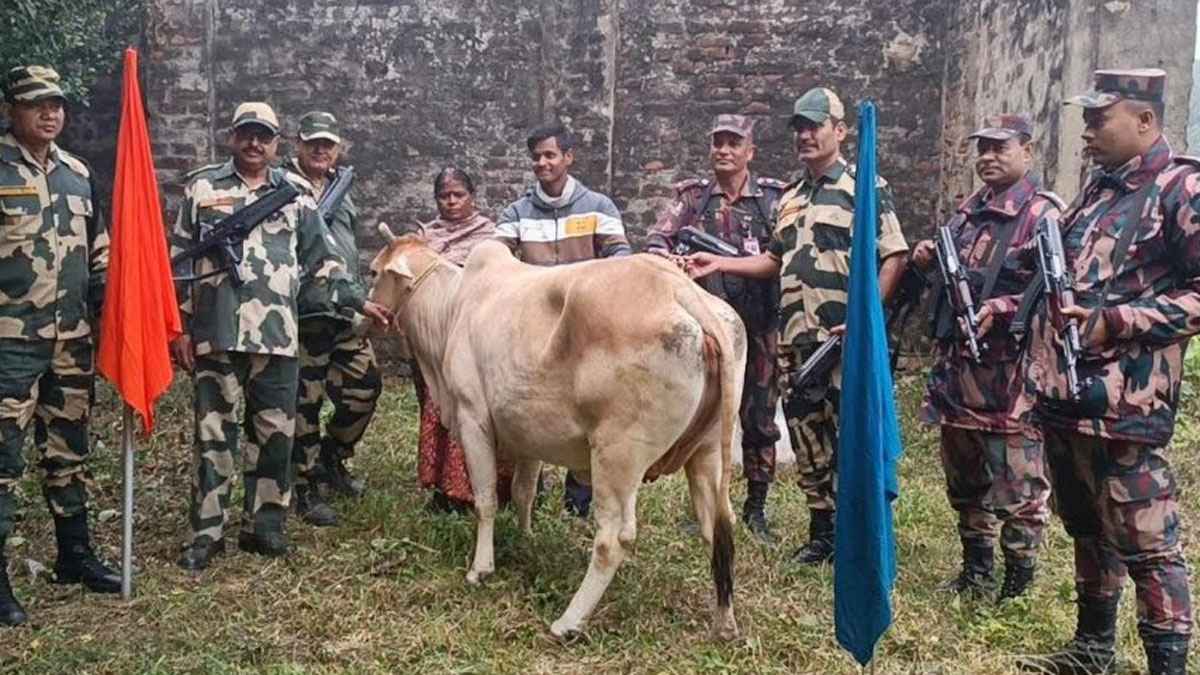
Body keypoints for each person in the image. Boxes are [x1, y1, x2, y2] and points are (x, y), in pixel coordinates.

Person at [976, 69, 1195, 675]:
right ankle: (1093, 647)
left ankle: (1167, 666)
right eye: (1087, 118)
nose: (1087, 130)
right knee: (1087, 526)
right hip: (1068, 395)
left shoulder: (1183, 189)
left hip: (1128, 402)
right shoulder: (1099, 190)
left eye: (1101, 118)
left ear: (1145, 121)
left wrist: (1117, 320)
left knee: (1148, 540)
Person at [686, 87, 909, 565]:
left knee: (854, 437)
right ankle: (822, 533)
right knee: (809, 440)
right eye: (800, 128)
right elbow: (772, 260)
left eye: (815, 126)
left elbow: (894, 256)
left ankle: (864, 538)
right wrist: (719, 263)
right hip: (796, 341)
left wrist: (864, 320)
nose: (806, 135)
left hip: (845, 341)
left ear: (840, 130)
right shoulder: (789, 197)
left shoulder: (865, 186)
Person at [170, 102, 389, 571]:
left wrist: (356, 300)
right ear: (233, 137)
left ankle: (264, 527)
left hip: (278, 338)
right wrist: (179, 327)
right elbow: (179, 261)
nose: (254, 143)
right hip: (218, 333)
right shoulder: (203, 187)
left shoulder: (294, 194)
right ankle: (205, 533)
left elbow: (324, 261)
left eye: (263, 136)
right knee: (214, 438)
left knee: (274, 436)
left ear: (275, 143)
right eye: (246, 134)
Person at [909, 113, 1056, 600]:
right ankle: (976, 569)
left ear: (1027, 152)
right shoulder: (967, 213)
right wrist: (927, 257)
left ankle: (1018, 581)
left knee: (1018, 486)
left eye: (1001, 148)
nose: (988, 157)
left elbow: (1055, 290)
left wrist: (1003, 306)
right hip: (959, 374)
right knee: (964, 478)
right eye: (983, 149)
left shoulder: (1042, 215)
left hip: (1009, 378)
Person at [0, 65, 119, 626]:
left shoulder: (77, 174)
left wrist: (112, 305)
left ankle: (74, 554)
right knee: (3, 462)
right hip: (10, 345)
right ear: (11, 110)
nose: (49, 114)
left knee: (68, 452)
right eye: (35, 104)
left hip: (71, 342)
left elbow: (100, 251)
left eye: (56, 104)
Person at [646, 114, 786, 542]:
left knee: (759, 418)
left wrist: (726, 262)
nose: (723, 150)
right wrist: (672, 263)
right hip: (705, 328)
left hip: (760, 326)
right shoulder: (692, 199)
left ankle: (756, 509)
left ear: (750, 152)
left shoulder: (773, 200)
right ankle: (702, 504)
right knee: (704, 415)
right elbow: (656, 240)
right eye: (717, 142)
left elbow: (783, 255)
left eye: (733, 143)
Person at [495, 122, 632, 518]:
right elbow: (497, 258)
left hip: (585, 329)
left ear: (568, 158)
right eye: (536, 156)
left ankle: (579, 500)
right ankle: (530, 492)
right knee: (540, 403)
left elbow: (620, 256)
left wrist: (587, 287)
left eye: (550, 155)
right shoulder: (516, 212)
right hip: (533, 329)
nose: (542, 163)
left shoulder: (598, 207)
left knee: (582, 404)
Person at [287, 111, 382, 526]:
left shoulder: (343, 189)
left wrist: (359, 295)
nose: (321, 150)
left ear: (338, 147)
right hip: (303, 313)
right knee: (303, 404)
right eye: (313, 143)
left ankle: (332, 456)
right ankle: (303, 486)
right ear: (298, 145)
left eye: (328, 143)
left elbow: (347, 249)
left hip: (343, 313)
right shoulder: (282, 188)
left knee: (366, 386)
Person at [413, 168, 514, 512]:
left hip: (481, 338)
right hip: (438, 339)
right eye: (444, 196)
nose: (452, 202)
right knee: (444, 410)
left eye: (459, 194)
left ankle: (500, 488)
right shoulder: (423, 239)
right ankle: (447, 492)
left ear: (473, 196)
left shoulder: (492, 239)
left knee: (483, 410)